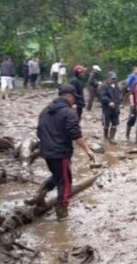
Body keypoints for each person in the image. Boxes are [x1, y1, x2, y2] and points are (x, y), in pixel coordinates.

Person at [24, 84, 95, 220]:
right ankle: (62, 213)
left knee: (57, 176)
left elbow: (39, 131)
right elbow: (75, 134)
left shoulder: (45, 111)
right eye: (74, 98)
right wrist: (88, 150)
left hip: (46, 152)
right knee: (65, 181)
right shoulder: (69, 113)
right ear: (69, 96)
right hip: (60, 152)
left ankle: (39, 195)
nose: (74, 101)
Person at [100, 71, 121, 144]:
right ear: (107, 78)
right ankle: (106, 137)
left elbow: (118, 96)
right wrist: (109, 102)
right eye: (112, 79)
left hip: (116, 108)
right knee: (106, 124)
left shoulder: (117, 86)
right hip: (107, 109)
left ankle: (112, 138)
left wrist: (118, 104)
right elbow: (103, 96)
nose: (113, 80)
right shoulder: (104, 86)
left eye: (114, 79)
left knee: (115, 124)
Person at [125, 67, 137, 140]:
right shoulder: (134, 79)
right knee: (132, 119)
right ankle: (127, 135)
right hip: (134, 103)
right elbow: (131, 93)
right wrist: (132, 103)